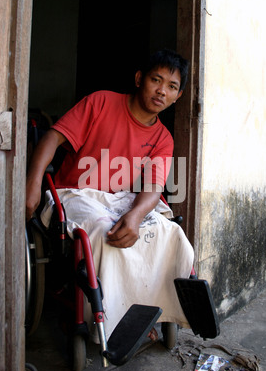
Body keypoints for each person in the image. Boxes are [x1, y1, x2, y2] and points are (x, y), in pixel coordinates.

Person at [26, 49, 194, 342]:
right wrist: (32, 184)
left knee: (169, 232)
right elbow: (53, 137)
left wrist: (136, 214)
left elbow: (153, 187)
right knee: (107, 231)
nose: (161, 92)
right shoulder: (101, 102)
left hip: (119, 198)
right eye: (156, 80)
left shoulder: (163, 138)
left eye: (172, 87)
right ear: (140, 78)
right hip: (75, 193)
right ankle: (106, 322)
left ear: (178, 96)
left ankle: (158, 311)